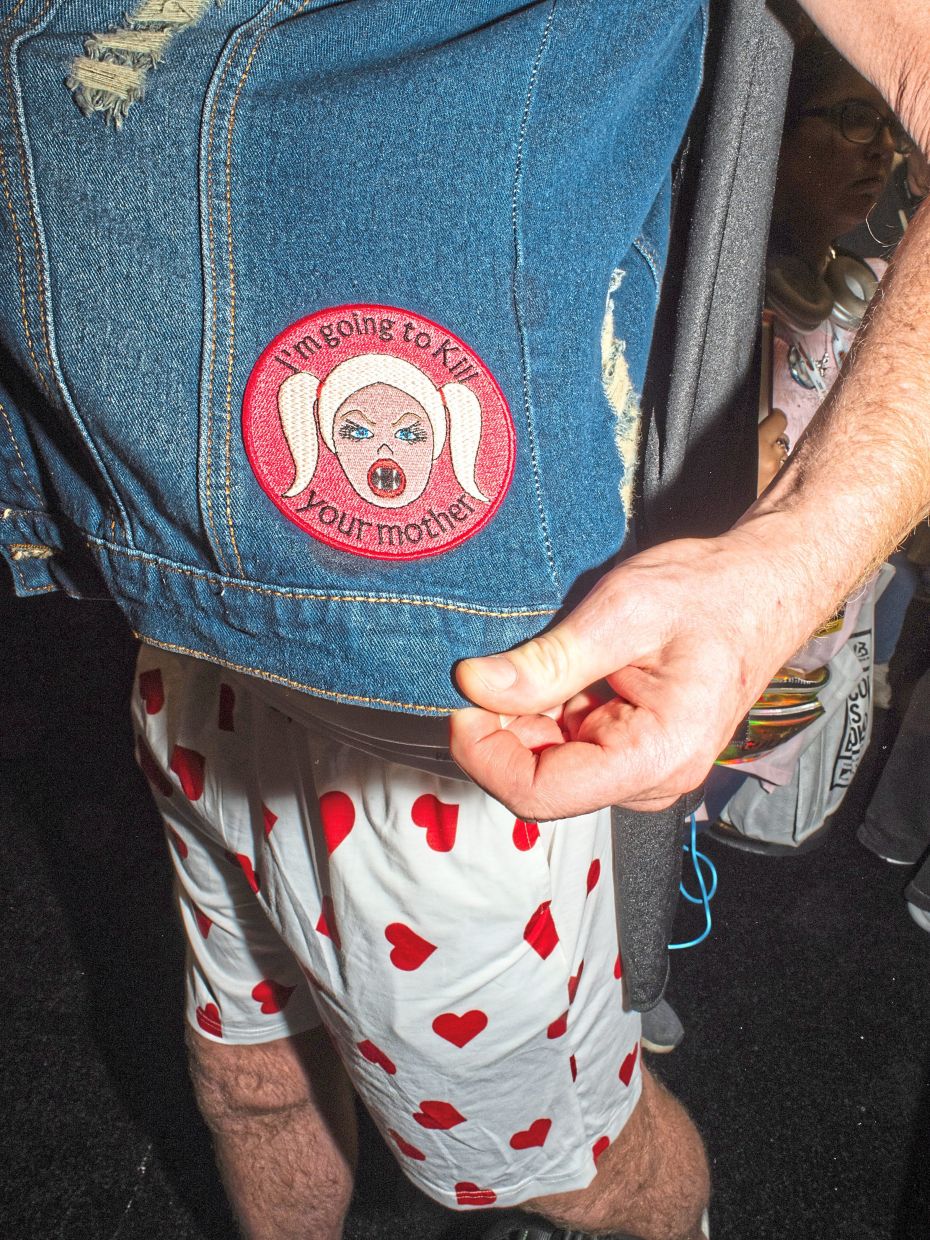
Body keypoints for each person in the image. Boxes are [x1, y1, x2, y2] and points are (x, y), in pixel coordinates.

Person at [2, 4, 930, 1240]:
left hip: (456, 743)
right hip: (182, 638)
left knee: (574, 1163)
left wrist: (788, 561)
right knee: (250, 1083)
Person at [704, 34, 899, 851]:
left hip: (807, 664)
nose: (883, 150)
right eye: (854, 118)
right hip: (714, 676)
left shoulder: (871, 294)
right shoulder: (710, 311)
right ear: (769, 131)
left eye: (889, 126)